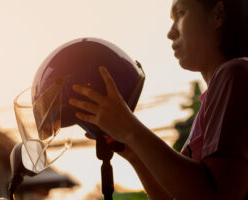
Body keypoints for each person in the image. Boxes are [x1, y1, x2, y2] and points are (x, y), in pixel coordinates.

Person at [68, 0, 248, 199]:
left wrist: (130, 128)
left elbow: (217, 195)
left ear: (217, 15)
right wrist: (135, 155)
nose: (171, 33)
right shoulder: (214, 98)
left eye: (180, 14)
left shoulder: (235, 73)